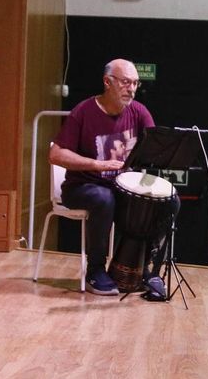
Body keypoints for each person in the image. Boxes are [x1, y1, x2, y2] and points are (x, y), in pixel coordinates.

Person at [48, 59, 173, 298]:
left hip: (122, 188)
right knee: (104, 198)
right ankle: (95, 270)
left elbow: (154, 148)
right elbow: (55, 154)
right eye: (126, 82)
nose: (132, 89)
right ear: (107, 82)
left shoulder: (139, 112)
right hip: (83, 187)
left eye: (135, 83)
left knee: (168, 200)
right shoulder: (83, 112)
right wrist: (97, 164)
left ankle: (146, 270)